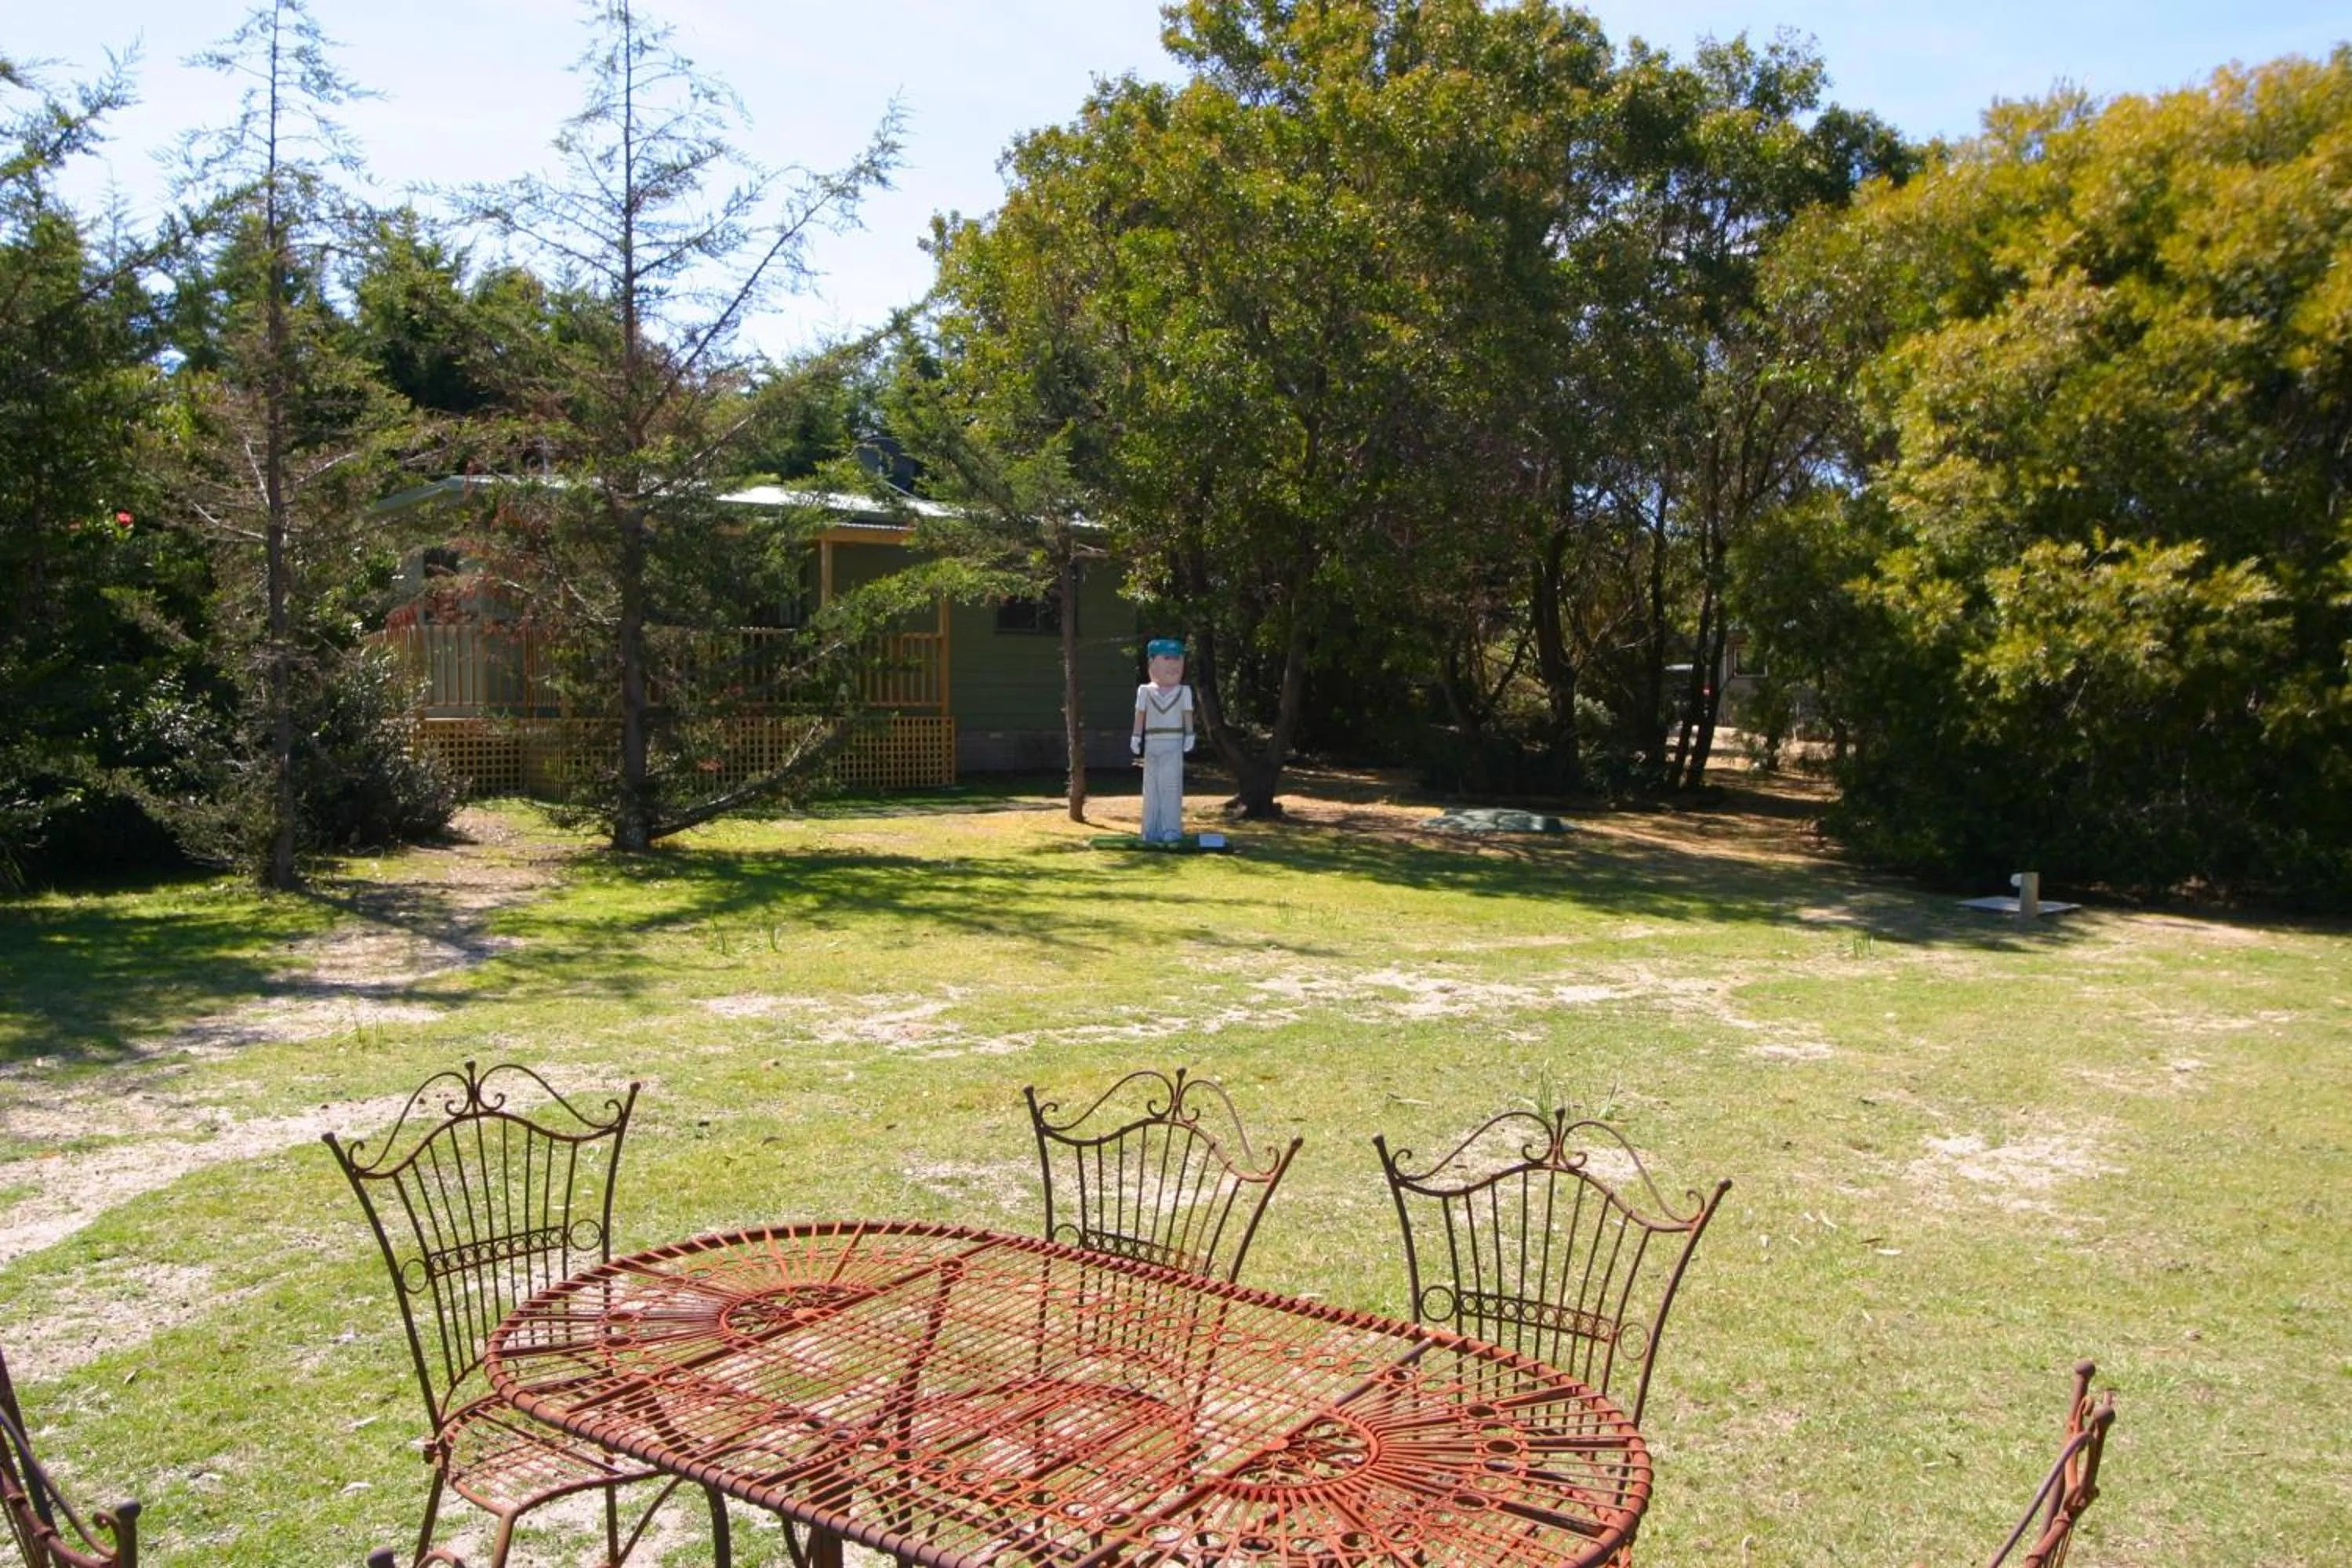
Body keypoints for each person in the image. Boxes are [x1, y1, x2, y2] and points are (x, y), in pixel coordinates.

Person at [1131, 637, 1195, 842]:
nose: (1174, 664)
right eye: (1167, 658)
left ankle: (1171, 829)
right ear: (1152, 663)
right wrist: (1136, 736)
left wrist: (1190, 734)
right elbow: (1140, 714)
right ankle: (1150, 829)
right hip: (1152, 743)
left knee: (1170, 786)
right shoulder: (1145, 691)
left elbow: (1187, 714)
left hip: (1174, 742)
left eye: (1178, 659)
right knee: (1151, 788)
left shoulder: (1183, 691)